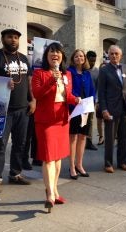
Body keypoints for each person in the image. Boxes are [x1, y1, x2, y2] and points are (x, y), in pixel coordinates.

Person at [0, 29, 36, 193]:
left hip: (23, 108)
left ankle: (15, 173)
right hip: (3, 110)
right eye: (10, 37)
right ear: (2, 39)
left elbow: (29, 81)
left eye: (16, 38)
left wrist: (33, 99)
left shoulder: (23, 59)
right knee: (0, 145)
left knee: (20, 144)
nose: (13, 40)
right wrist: (1, 83)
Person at [32, 42, 80, 213]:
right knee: (48, 158)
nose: (55, 54)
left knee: (58, 157)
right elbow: (37, 94)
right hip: (45, 121)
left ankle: (55, 190)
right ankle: (50, 194)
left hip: (61, 121)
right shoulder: (39, 73)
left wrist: (76, 100)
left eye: (58, 52)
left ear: (62, 56)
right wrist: (52, 80)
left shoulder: (67, 74)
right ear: (46, 56)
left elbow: (67, 96)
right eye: (51, 51)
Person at [98, 45, 126, 173]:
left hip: (125, 108)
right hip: (111, 109)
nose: (114, 56)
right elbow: (101, 92)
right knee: (110, 138)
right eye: (111, 54)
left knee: (125, 137)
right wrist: (104, 109)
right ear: (108, 55)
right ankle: (108, 163)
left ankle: (123, 162)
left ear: (120, 55)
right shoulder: (104, 70)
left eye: (116, 54)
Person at [68, 49, 95, 179]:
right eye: (77, 56)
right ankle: (72, 166)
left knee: (83, 137)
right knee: (73, 137)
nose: (80, 58)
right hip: (74, 108)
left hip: (86, 108)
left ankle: (80, 164)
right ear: (73, 59)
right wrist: (76, 99)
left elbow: (92, 90)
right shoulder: (69, 72)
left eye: (82, 56)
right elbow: (69, 90)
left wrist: (92, 102)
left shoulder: (87, 73)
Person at [85, 50, 98, 151]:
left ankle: (89, 141)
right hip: (80, 99)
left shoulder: (97, 71)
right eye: (90, 60)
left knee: (90, 121)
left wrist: (96, 100)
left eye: (94, 61)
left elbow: (99, 86)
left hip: (91, 100)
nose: (92, 63)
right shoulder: (83, 69)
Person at [95, 54, 110, 145]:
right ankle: (101, 137)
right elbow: (96, 90)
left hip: (109, 102)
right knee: (99, 120)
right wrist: (97, 101)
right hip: (100, 102)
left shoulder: (110, 78)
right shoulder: (98, 78)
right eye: (102, 68)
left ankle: (110, 138)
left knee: (108, 121)